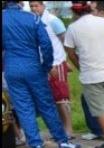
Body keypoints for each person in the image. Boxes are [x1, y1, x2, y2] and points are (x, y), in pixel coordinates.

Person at [2, 0, 81, 148]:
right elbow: (46, 44)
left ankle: (36, 145)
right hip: (33, 66)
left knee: (24, 107)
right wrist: (47, 66)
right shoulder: (33, 18)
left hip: (12, 67)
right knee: (46, 104)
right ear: (20, 3)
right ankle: (62, 141)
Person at [64, 0, 104, 148]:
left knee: (101, 110)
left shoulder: (72, 28)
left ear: (74, 11)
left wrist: (80, 67)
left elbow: (70, 52)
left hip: (91, 74)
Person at [29, 0, 74, 140]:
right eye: (31, 6)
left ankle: (69, 129)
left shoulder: (53, 21)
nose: (34, 8)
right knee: (50, 99)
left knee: (61, 98)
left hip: (56, 63)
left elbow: (65, 42)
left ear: (43, 6)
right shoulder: (33, 21)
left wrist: (65, 61)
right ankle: (59, 128)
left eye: (36, 5)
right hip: (42, 65)